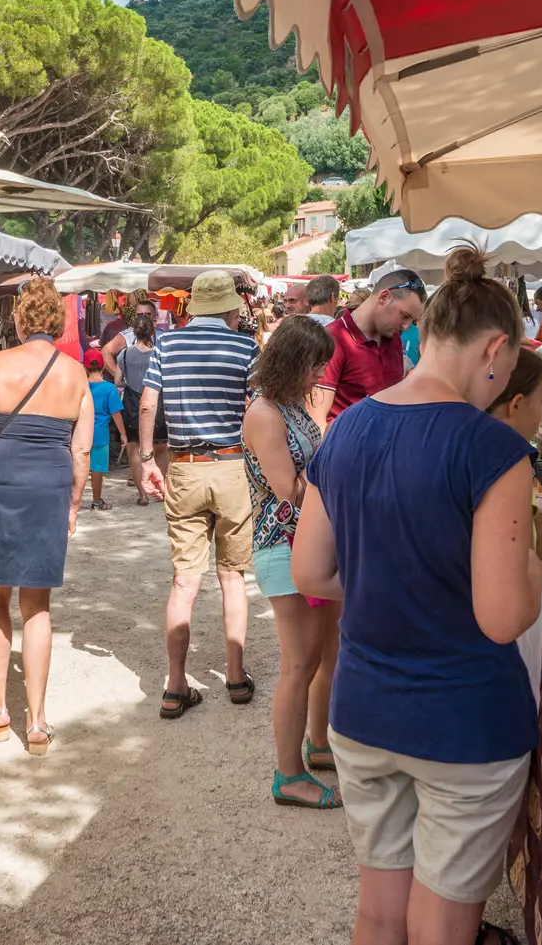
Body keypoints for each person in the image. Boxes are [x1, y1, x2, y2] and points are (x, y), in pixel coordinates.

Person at [292, 248, 542, 945]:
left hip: (365, 710)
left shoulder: (347, 428)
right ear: (495, 348)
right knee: (441, 920)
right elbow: (501, 617)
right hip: (464, 721)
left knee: (379, 908)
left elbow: (312, 571)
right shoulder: (492, 449)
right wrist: (534, 576)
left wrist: (389, 580)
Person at [0, 277, 91, 755]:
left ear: (17, 319)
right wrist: (72, 503)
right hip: (49, 486)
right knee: (38, 607)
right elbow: (82, 448)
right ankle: (37, 721)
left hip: (0, 482)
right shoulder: (76, 375)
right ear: (58, 321)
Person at [137, 270, 260, 719]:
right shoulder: (246, 347)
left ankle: (174, 686)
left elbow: (149, 402)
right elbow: (259, 405)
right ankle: (235, 676)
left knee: (184, 581)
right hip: (231, 468)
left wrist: (149, 458)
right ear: (230, 307)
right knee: (232, 578)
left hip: (185, 468)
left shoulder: (168, 345)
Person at [242, 315, 341, 809]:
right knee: (298, 666)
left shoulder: (290, 407)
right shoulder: (264, 412)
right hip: (283, 547)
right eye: (314, 366)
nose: (320, 376)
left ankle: (317, 746)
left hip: (308, 546)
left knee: (321, 659)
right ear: (292, 362)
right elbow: (288, 489)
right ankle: (289, 775)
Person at [311, 268, 428, 424]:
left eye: (411, 320)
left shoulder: (393, 340)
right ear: (384, 297)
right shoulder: (334, 339)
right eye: (405, 316)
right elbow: (318, 419)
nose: (406, 326)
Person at [103, 299, 165, 506]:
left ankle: (142, 494)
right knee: (160, 446)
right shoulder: (159, 350)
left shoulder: (125, 354)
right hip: (157, 399)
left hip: (131, 400)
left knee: (134, 448)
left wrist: (127, 378)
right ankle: (160, 488)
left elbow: (119, 380)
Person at [84, 349, 126, 510]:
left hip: (81, 433)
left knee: (78, 466)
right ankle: (96, 500)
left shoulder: (81, 386)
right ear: (102, 367)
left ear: (84, 367)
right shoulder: (109, 388)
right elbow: (116, 413)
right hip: (100, 434)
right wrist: (122, 433)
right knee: (97, 469)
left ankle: (72, 500)